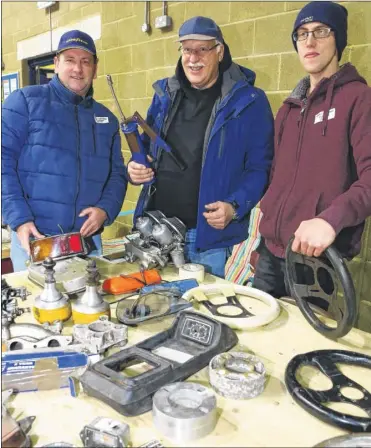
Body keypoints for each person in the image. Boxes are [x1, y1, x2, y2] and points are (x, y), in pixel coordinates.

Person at [126, 16, 274, 277]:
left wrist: (236, 205)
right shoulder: (164, 95)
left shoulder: (249, 102)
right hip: (155, 231)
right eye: (186, 49)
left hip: (204, 238)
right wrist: (135, 167)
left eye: (202, 49)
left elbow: (260, 167)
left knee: (202, 312)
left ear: (219, 52)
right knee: (154, 309)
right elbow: (146, 149)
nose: (193, 58)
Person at [253, 1, 371, 298]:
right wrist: (262, 236)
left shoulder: (359, 99)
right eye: (301, 33)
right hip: (270, 254)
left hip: (315, 260)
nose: (310, 41)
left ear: (338, 39)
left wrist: (330, 220)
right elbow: (277, 178)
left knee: (301, 345)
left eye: (321, 31)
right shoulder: (289, 110)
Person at [2, 30, 127, 271]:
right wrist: (19, 220)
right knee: (38, 306)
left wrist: (105, 210)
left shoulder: (106, 119)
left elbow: (117, 174)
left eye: (85, 62)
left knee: (92, 306)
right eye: (70, 60)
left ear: (95, 68)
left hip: (87, 242)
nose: (77, 69)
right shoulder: (25, 102)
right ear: (57, 63)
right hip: (35, 239)